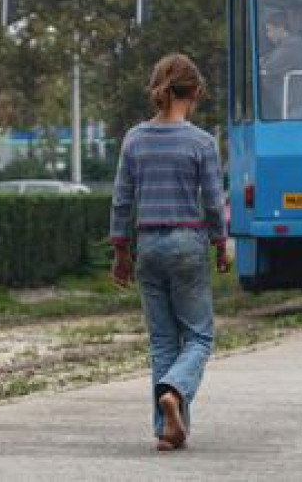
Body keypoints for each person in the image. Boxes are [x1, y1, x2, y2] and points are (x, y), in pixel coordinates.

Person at [110, 53, 230, 452]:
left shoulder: (134, 139)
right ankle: (175, 392)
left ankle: (168, 430)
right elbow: (213, 202)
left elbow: (121, 201)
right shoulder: (201, 142)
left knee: (162, 340)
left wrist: (120, 251)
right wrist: (220, 243)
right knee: (198, 337)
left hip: (147, 244)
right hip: (186, 242)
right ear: (195, 92)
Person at [260, 11, 302, 119]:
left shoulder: (292, 45)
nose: (267, 35)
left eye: (269, 30)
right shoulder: (284, 45)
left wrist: (262, 62)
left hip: (296, 105)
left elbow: (270, 65)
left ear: (280, 28)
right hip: (290, 104)